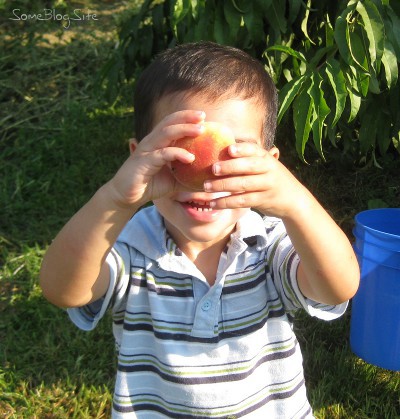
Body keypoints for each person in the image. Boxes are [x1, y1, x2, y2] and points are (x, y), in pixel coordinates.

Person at [40, 41, 360, 418]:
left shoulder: (270, 244)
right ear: (138, 158)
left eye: (236, 154)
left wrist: (297, 203)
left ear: (270, 166)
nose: (207, 173)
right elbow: (63, 290)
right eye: (179, 149)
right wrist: (114, 199)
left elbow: (338, 286)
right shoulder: (129, 246)